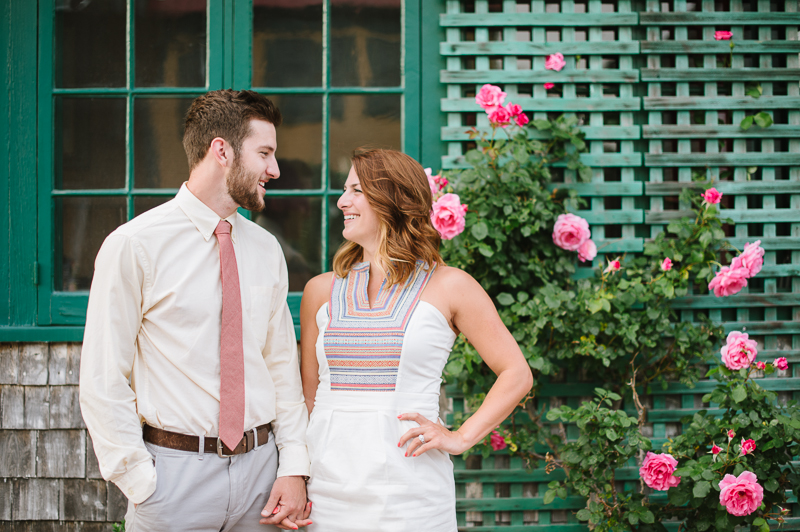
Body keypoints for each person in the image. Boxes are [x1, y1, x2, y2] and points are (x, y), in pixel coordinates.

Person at [80, 90, 311, 531]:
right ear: (221, 150)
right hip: (173, 481)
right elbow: (102, 376)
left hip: (263, 480)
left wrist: (293, 465)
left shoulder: (266, 249)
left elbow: (281, 367)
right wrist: (142, 481)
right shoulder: (134, 245)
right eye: (264, 153)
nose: (274, 169)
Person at [299, 148, 533, 531]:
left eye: (356, 190)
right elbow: (309, 400)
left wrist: (460, 437)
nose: (342, 201)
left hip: (411, 497)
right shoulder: (319, 291)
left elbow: (516, 373)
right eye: (345, 190)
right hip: (328, 493)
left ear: (393, 199)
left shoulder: (451, 286)